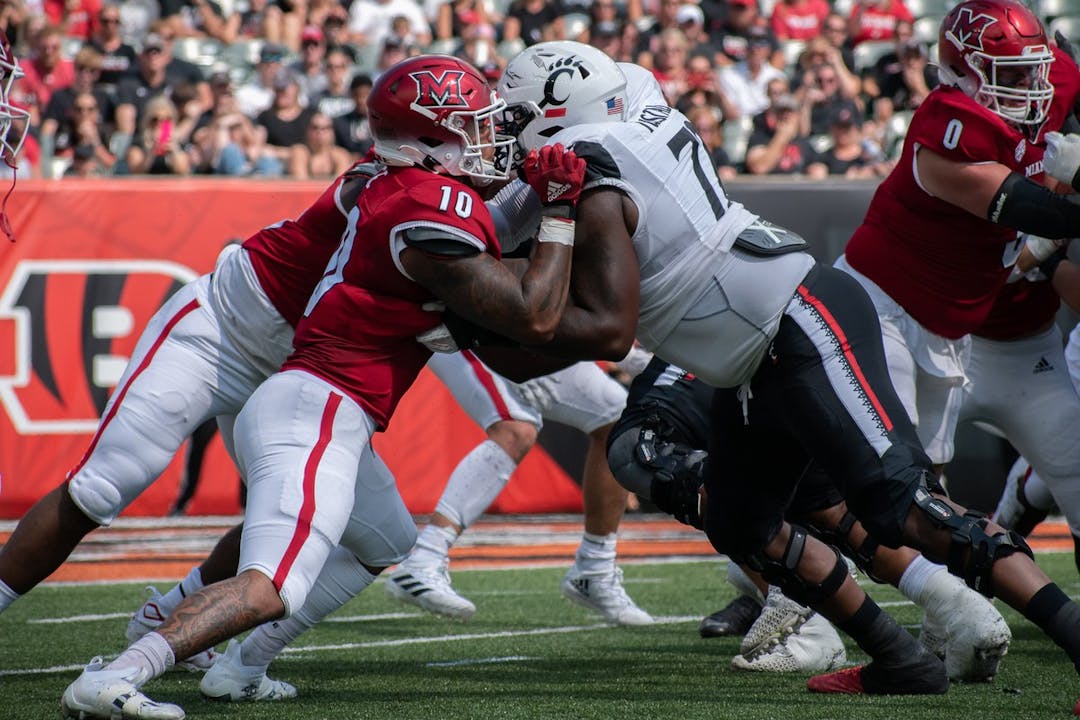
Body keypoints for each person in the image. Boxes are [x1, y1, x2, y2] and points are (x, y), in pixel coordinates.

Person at [491, 39, 1080, 700]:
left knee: (902, 506)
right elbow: (605, 103)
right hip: (749, 359)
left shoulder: (595, 161)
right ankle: (900, 658)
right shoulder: (631, 113)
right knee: (741, 522)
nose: (506, 132)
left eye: (514, 117)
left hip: (799, 322)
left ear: (562, 113)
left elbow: (608, 326)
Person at [59, 55, 586, 719]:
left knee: (386, 541)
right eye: (470, 128)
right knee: (269, 588)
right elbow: (531, 311)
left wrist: (533, 186)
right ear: (428, 143)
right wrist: (561, 206)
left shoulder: (404, 190)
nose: (487, 141)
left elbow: (487, 233)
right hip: (317, 410)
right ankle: (118, 673)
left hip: (325, 408)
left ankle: (241, 667)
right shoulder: (426, 205)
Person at [606, 354, 1010, 680]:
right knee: (841, 512)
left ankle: (799, 612)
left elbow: (607, 327)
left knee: (640, 452)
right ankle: (959, 606)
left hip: (714, 366)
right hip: (806, 361)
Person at [385, 352, 653, 626]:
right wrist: (628, 355)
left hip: (517, 331)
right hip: (461, 325)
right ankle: (424, 559)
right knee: (515, 428)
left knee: (618, 420)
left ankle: (594, 569)